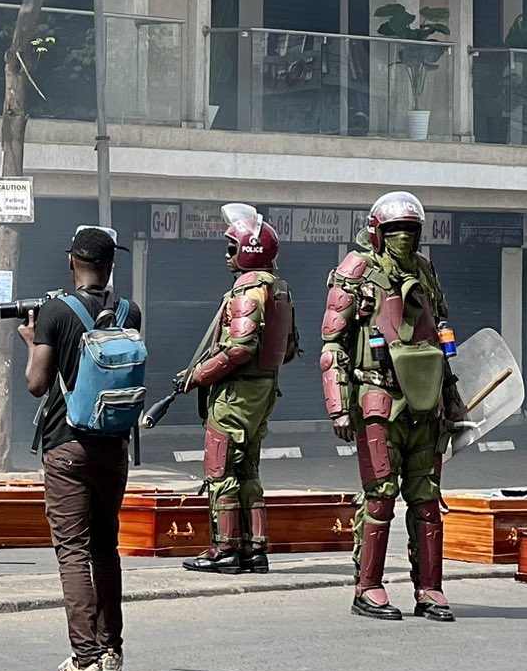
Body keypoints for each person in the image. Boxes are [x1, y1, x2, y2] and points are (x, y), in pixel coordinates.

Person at [323, 190, 464, 623]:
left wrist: (452, 395)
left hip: (427, 402)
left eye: (411, 229)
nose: (404, 237)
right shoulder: (356, 270)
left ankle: (430, 588)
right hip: (378, 397)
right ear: (377, 232)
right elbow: (332, 345)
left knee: (426, 499)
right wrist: (339, 407)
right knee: (381, 496)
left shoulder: (424, 270)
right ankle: (368, 586)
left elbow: (442, 330)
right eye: (395, 230)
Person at [22, 225, 136, 671]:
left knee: (72, 551)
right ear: (111, 266)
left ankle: (84, 661)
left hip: (67, 446)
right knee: (106, 548)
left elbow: (37, 382)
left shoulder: (54, 312)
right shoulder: (130, 311)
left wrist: (31, 339)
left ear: (72, 262)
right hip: (114, 446)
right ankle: (111, 653)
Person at [182, 204, 295, 575]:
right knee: (248, 470)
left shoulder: (247, 291)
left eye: (232, 248)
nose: (226, 255)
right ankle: (255, 550)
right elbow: (289, 348)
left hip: (235, 397)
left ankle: (225, 549)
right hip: (263, 393)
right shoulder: (278, 290)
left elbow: (239, 348)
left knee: (221, 471)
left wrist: (198, 375)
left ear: (248, 250)